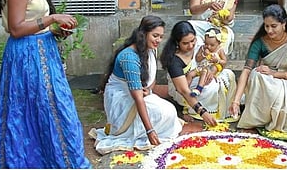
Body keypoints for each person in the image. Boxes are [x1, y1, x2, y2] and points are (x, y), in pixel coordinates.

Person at [0, 0, 90, 168]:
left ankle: (55, 161)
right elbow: (16, 28)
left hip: (44, 53)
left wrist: (56, 31)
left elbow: (33, 26)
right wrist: (52, 18)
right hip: (25, 56)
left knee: (53, 108)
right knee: (30, 110)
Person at [88, 16, 183, 155]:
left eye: (161, 37)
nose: (159, 40)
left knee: (169, 111)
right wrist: (149, 130)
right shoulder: (129, 58)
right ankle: (137, 132)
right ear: (143, 34)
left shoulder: (150, 49)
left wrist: (148, 90)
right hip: (121, 100)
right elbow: (138, 98)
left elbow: (151, 80)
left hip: (139, 94)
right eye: (155, 35)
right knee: (165, 112)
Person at [229, 4, 287, 131]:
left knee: (271, 87)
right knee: (256, 73)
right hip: (266, 83)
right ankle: (263, 118)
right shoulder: (260, 42)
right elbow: (246, 70)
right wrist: (236, 101)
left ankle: (274, 118)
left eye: (274, 26)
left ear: (284, 23)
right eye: (266, 26)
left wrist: (274, 73)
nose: (269, 30)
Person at [160, 21, 237, 125]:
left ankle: (228, 110)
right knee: (211, 87)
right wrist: (203, 112)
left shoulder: (202, 47)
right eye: (185, 43)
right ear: (177, 42)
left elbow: (219, 63)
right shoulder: (174, 60)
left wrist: (212, 70)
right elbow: (183, 90)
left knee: (228, 74)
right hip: (184, 88)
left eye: (192, 41)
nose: (191, 46)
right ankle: (195, 110)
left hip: (201, 75)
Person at [191, 28, 227, 97]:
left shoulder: (220, 50)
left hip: (213, 66)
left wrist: (217, 60)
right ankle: (185, 89)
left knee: (210, 69)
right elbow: (197, 59)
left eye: (212, 45)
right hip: (202, 66)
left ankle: (199, 88)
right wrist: (203, 55)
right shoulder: (202, 48)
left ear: (218, 43)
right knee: (190, 74)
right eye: (206, 44)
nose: (208, 47)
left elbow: (224, 62)